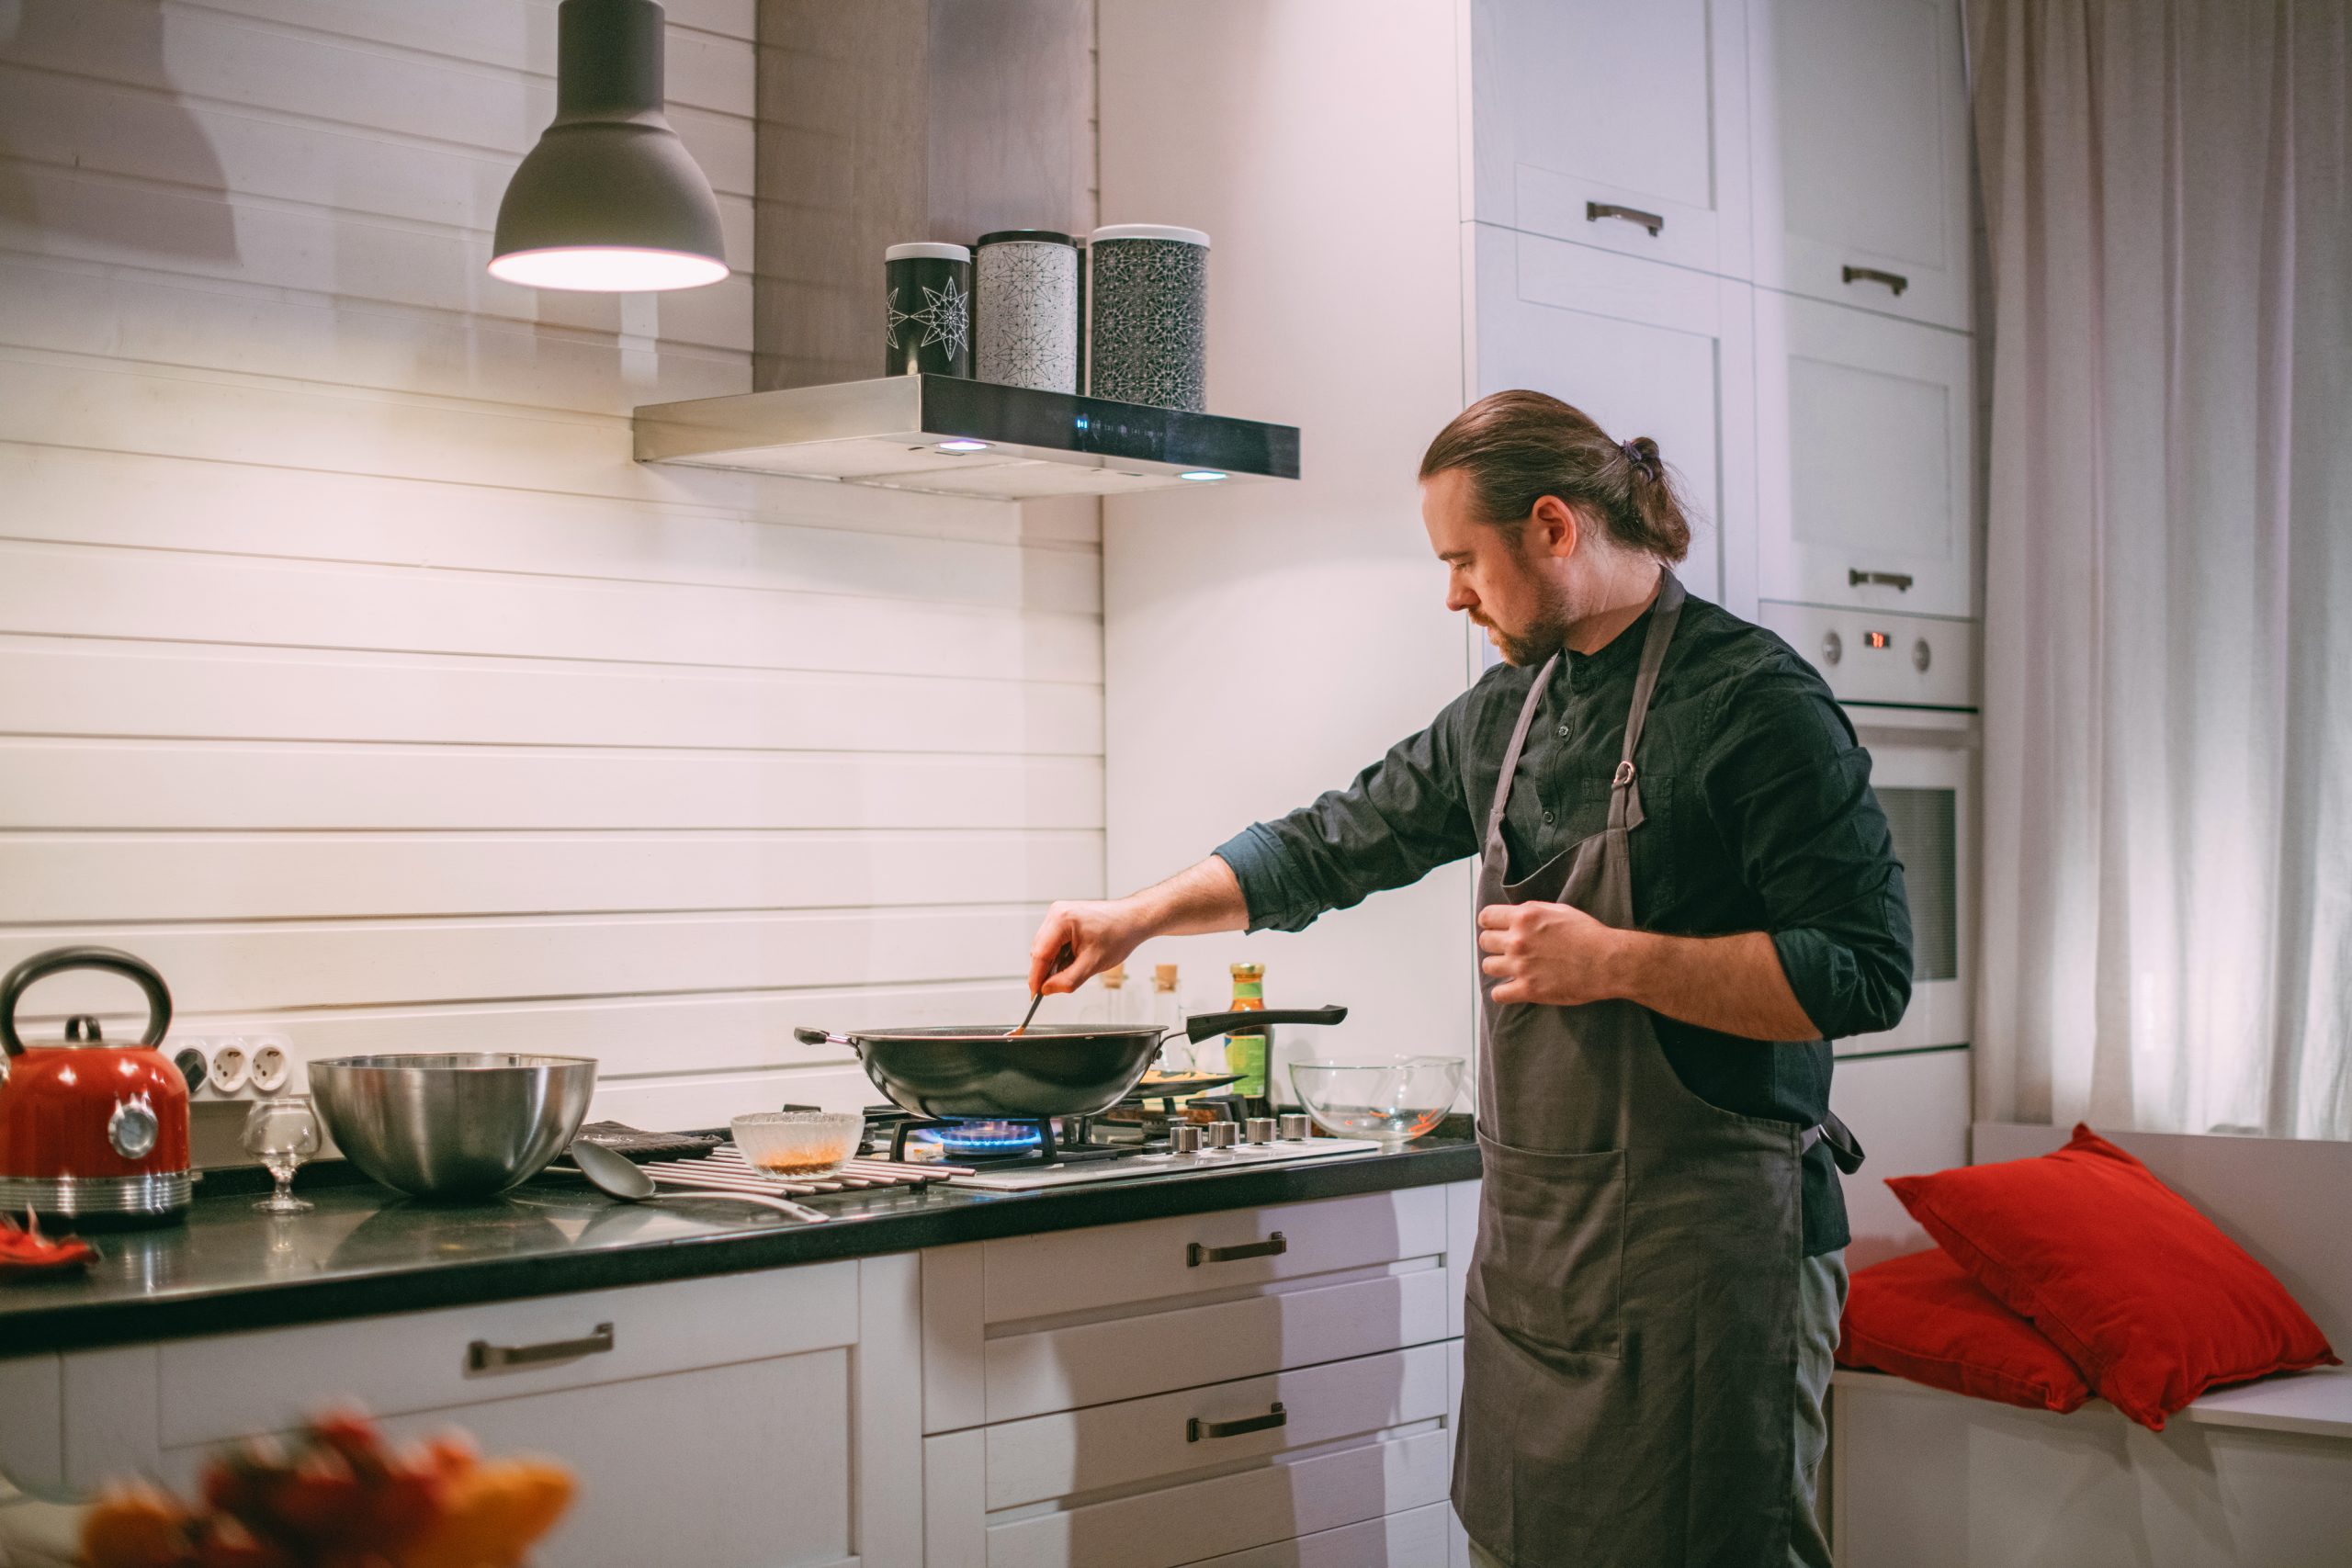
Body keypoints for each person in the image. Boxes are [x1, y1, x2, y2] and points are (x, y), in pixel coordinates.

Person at [1025, 389, 1912, 1567]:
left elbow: (1863, 971)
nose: (1454, 595)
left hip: (1714, 1267)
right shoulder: (1509, 709)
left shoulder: (1756, 704)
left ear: (1552, 526)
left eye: (1464, 561)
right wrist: (1135, 918)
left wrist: (1616, 963)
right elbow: (1330, 842)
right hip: (1539, 1267)